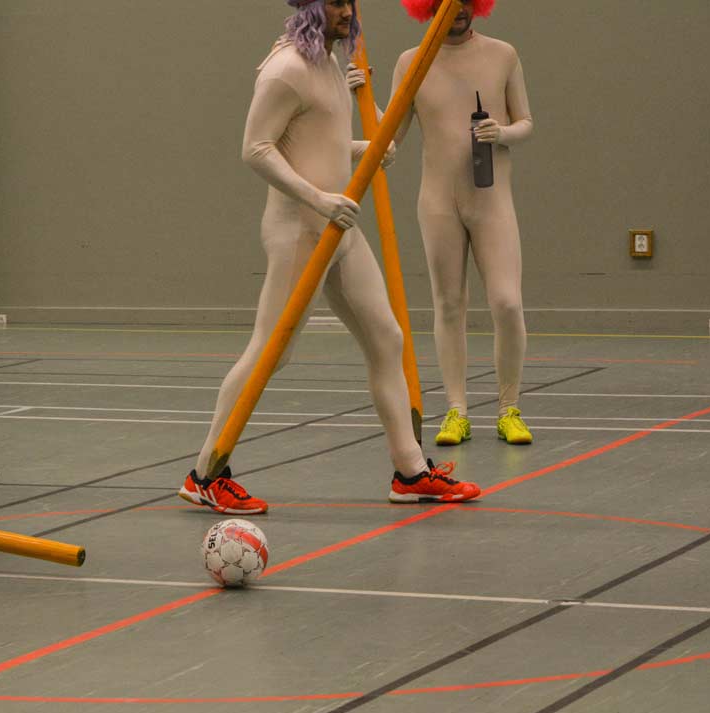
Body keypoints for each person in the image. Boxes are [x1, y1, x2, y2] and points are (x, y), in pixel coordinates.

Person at [179, 0, 479, 516]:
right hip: (300, 230)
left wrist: (362, 149)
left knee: (386, 338)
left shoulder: (330, 62)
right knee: (270, 352)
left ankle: (410, 472)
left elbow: (317, 140)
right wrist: (317, 198)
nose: (347, 11)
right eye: (336, 2)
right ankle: (206, 473)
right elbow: (256, 148)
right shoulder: (286, 69)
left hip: (339, 226)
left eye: (350, 1)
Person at [381, 0, 534, 447]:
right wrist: (361, 96)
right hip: (437, 203)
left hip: (492, 201)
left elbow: (526, 121)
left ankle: (509, 408)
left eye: (467, 1)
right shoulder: (411, 63)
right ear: (428, 8)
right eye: (449, 3)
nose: (460, 10)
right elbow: (390, 136)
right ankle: (456, 410)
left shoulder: (503, 54)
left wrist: (502, 133)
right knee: (449, 304)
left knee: (507, 302)